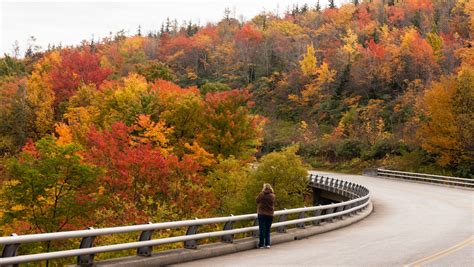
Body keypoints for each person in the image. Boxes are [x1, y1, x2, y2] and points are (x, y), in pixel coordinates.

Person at [256, 183, 275, 248]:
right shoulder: (272, 196)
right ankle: (267, 244)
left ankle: (261, 244)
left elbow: (257, 201)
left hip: (262, 214)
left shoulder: (261, 194)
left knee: (262, 229)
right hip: (270, 214)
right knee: (267, 229)